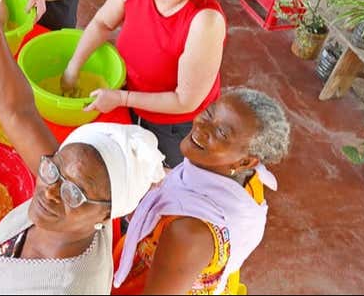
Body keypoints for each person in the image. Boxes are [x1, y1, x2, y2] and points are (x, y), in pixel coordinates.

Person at [0, 0, 165, 295]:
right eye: (52, 168)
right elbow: (18, 111)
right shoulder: (69, 193)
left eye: (74, 193)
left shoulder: (63, 288)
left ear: (107, 214)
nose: (49, 191)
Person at [62, 0, 226, 167]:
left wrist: (121, 99)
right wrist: (72, 69)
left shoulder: (205, 21)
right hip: (129, 98)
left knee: (160, 178)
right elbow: (103, 22)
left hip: (176, 126)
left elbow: (185, 100)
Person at [113, 87, 291, 294]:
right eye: (209, 113)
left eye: (222, 133)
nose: (201, 127)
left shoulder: (187, 233)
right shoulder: (248, 180)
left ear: (245, 161)